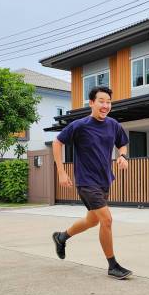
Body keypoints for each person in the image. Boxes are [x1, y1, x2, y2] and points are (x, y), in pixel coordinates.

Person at [51, 86, 132, 279]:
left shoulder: (113, 125)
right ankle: (113, 265)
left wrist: (122, 156)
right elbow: (57, 142)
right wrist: (61, 172)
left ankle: (61, 237)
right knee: (107, 220)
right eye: (101, 101)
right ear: (92, 103)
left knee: (92, 220)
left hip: (104, 179)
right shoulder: (80, 125)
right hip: (86, 181)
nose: (105, 105)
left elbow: (122, 143)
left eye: (108, 102)